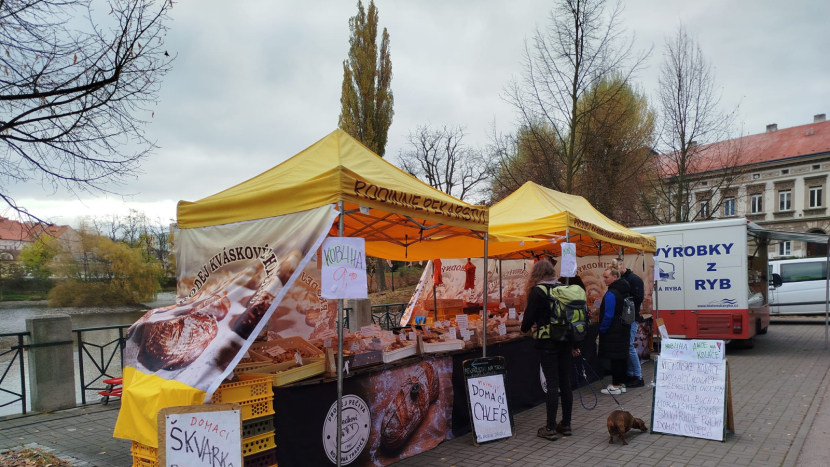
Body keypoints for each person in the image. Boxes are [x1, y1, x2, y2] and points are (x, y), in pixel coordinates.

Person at [521, 260, 580, 441]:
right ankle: (567, 424)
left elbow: (527, 322)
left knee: (552, 383)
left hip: (548, 343)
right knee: (565, 382)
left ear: (536, 274)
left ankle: (550, 427)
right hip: (566, 342)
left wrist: (525, 328)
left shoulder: (538, 291)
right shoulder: (563, 288)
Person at [598, 264, 631, 395]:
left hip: (613, 330)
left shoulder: (611, 293)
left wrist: (602, 329)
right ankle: (622, 384)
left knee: (615, 358)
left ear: (615, 277)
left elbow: (608, 314)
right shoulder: (625, 290)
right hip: (623, 327)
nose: (604, 280)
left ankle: (616, 385)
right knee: (621, 357)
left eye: (606, 277)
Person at [618, 258, 645, 388]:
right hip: (627, 317)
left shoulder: (634, 279)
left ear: (622, 265)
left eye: (616, 266)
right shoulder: (625, 279)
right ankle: (630, 374)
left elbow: (639, 298)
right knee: (627, 346)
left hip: (632, 317)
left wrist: (625, 298)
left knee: (629, 346)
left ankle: (638, 376)